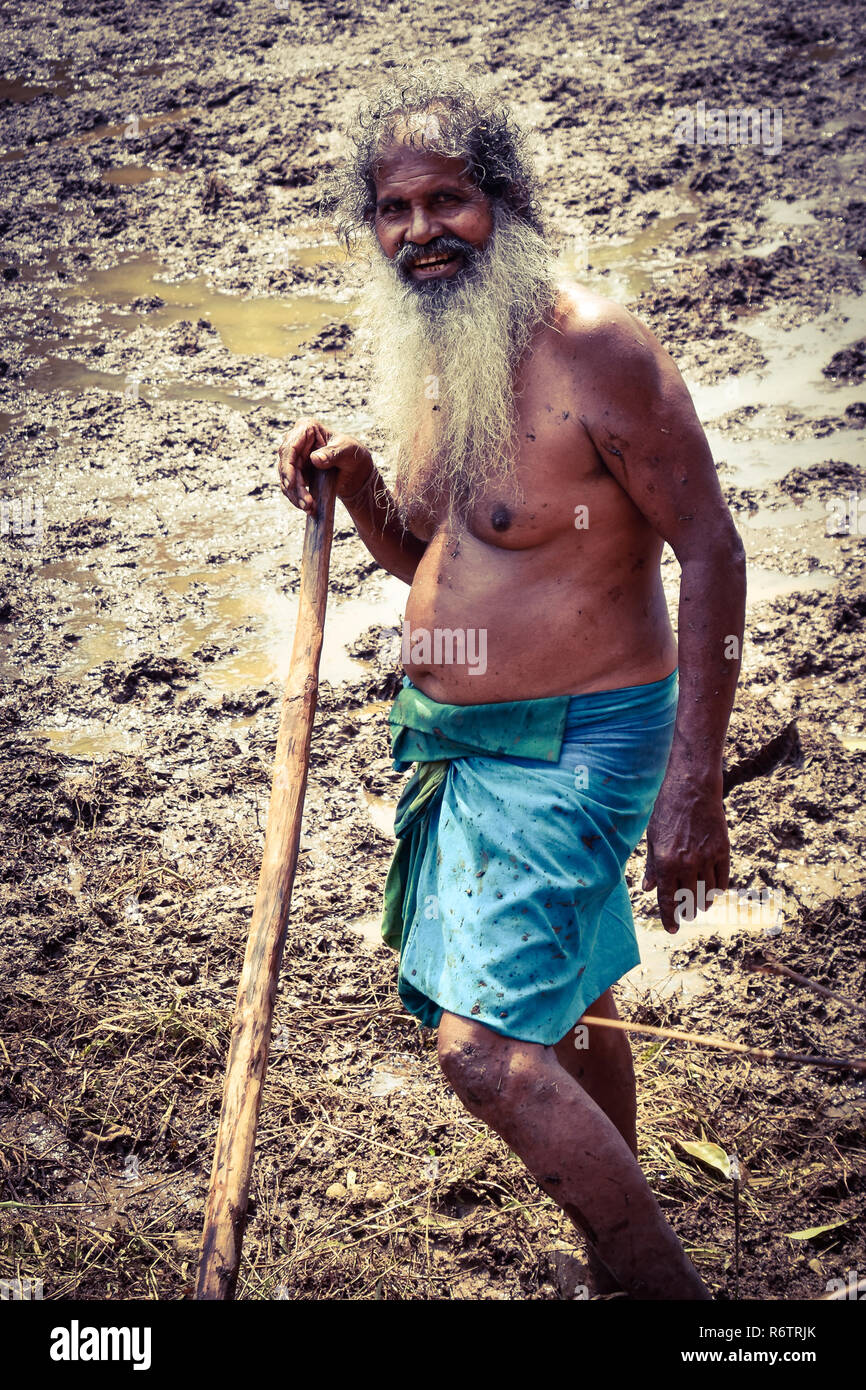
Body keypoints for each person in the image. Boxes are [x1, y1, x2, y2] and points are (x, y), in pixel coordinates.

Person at [276, 70, 746, 1300]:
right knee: (574, 1005)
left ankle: (670, 1303)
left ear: (506, 202)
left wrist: (692, 783)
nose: (420, 231)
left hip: (574, 747)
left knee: (487, 1057)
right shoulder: (451, 347)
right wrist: (362, 484)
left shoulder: (595, 346)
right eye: (393, 209)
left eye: (448, 201)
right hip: (468, 743)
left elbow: (709, 549)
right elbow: (441, 554)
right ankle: (613, 1264)